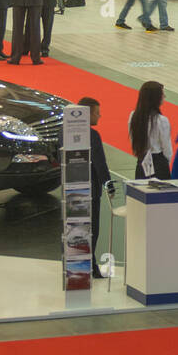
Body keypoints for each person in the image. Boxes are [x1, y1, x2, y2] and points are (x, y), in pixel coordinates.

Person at [78, 97, 115, 278]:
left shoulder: (64, 132)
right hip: (91, 190)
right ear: (89, 113)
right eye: (97, 112)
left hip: (72, 190)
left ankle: (80, 266)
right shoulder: (93, 135)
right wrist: (109, 185)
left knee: (76, 229)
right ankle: (92, 267)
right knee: (93, 230)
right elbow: (100, 163)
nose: (99, 116)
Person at [128, 81, 173, 180]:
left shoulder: (133, 116)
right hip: (159, 164)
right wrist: (164, 164)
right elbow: (167, 149)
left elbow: (133, 140)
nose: (164, 96)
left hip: (141, 162)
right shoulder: (162, 120)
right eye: (162, 94)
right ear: (155, 98)